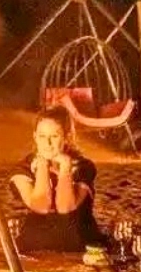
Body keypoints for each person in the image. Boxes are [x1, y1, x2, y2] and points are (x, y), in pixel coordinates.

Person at [8, 106, 102, 252]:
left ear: (66, 138)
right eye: (42, 136)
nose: (48, 143)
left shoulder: (84, 167)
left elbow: (66, 207)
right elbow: (41, 206)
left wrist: (65, 167)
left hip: (78, 241)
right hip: (36, 241)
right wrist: (43, 165)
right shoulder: (23, 168)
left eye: (54, 136)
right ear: (35, 137)